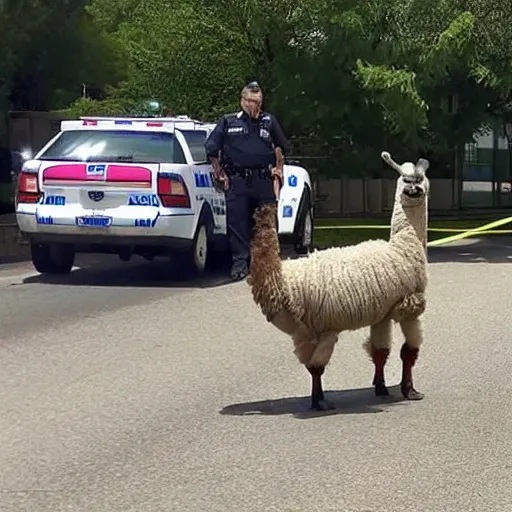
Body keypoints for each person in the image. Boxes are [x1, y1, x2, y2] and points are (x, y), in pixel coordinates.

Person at [204, 81, 291, 281]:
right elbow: (211, 148)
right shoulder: (229, 121)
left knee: (266, 224)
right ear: (243, 101)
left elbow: (281, 148)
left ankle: (267, 265)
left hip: (263, 180)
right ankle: (240, 265)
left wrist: (279, 171)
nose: (255, 105)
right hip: (238, 181)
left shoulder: (268, 121)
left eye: (258, 101)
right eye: (251, 101)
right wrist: (219, 174)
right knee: (237, 224)